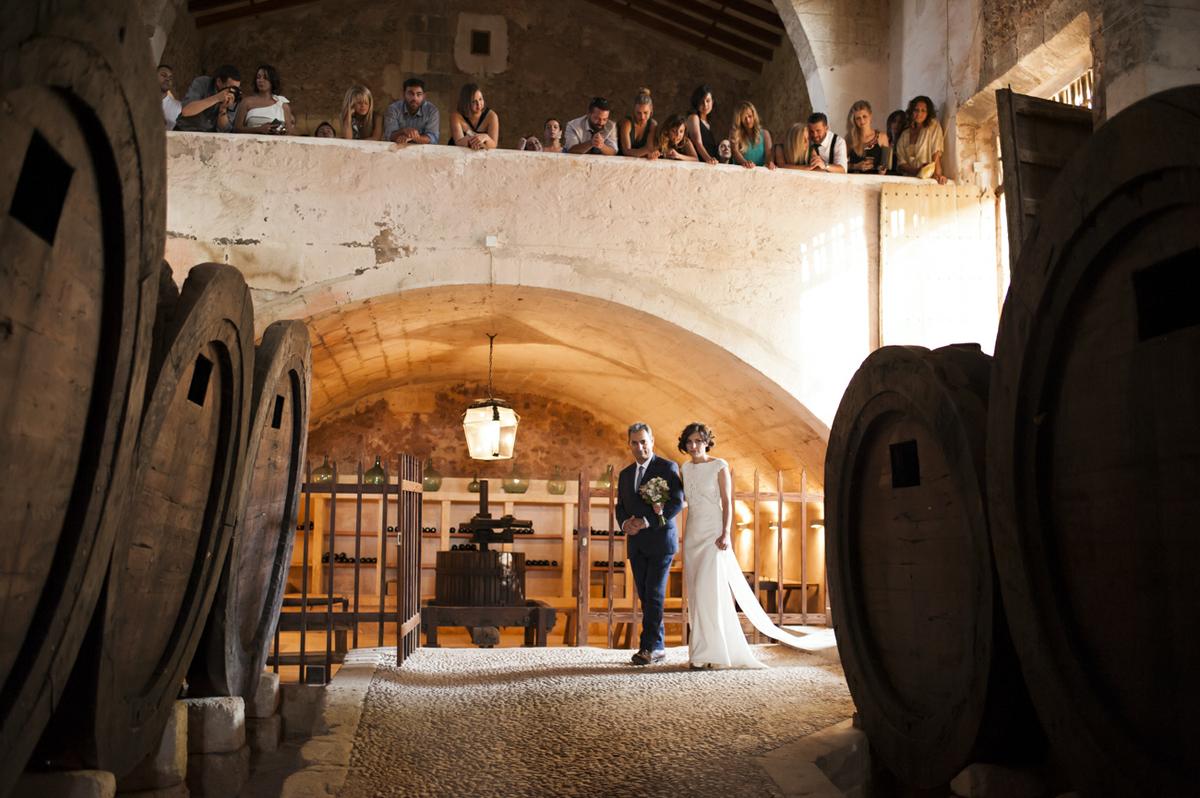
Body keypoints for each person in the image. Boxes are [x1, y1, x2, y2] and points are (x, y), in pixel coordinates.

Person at [677, 423, 808, 669]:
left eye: (698, 441)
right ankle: (700, 652)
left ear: (706, 442)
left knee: (710, 590)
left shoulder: (719, 466)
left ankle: (715, 653)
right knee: (695, 593)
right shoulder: (684, 468)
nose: (693, 446)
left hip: (713, 533)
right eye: (689, 442)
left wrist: (726, 533)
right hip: (693, 533)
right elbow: (687, 500)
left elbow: (728, 502)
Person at [615, 423, 684, 666]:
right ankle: (659, 646)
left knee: (654, 594)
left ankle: (648, 648)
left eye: (643, 441)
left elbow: (676, 502)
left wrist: (645, 522)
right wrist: (625, 524)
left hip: (660, 541)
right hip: (636, 544)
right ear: (629, 444)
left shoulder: (667, 467)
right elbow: (620, 507)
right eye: (634, 443)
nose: (640, 447)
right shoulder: (625, 475)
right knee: (646, 596)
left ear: (652, 441)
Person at [174, 64, 241, 133]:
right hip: (185, 131)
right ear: (219, 82)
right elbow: (186, 111)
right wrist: (217, 98)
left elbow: (225, 129)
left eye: (237, 88)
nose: (233, 91)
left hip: (209, 135)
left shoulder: (234, 95)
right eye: (231, 88)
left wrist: (223, 109)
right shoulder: (203, 83)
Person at [895, 95, 947, 183]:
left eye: (923, 111)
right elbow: (901, 162)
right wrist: (916, 171)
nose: (919, 114)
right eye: (916, 110)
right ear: (911, 111)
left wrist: (938, 174)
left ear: (928, 113)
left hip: (927, 179)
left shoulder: (933, 126)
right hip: (908, 181)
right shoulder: (904, 135)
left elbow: (936, 153)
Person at [234, 64, 294, 135]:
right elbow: (237, 129)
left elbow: (289, 132)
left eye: (265, 78)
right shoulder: (247, 102)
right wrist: (259, 129)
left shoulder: (282, 105)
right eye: (258, 77)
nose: (261, 80)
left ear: (272, 81)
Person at [383, 77, 440, 145]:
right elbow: (389, 135)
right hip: (397, 149)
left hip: (423, 150)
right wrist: (404, 131)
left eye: (419, 94)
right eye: (410, 93)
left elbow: (433, 139)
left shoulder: (432, 111)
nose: (414, 98)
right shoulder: (393, 109)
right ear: (404, 94)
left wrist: (413, 137)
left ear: (424, 96)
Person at [450, 83, 499, 149]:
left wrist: (485, 137)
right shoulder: (456, 116)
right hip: (457, 152)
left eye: (480, 99)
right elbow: (458, 143)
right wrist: (477, 140)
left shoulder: (492, 116)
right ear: (466, 103)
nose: (478, 104)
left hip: (481, 153)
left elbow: (494, 144)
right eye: (474, 101)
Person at [846, 100, 889, 175]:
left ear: (870, 116)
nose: (862, 121)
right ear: (854, 120)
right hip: (855, 180)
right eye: (858, 118)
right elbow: (841, 165)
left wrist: (882, 168)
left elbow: (885, 164)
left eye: (864, 116)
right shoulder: (850, 138)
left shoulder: (882, 137)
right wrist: (856, 166)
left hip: (875, 180)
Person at [729, 101, 775, 170]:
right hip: (741, 172)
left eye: (750, 116)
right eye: (744, 118)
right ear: (739, 119)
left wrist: (770, 162)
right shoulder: (735, 133)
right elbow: (735, 152)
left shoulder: (765, 134)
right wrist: (745, 162)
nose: (748, 120)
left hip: (759, 173)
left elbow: (769, 154)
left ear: (754, 116)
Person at [685, 85, 720, 164]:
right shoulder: (693, 117)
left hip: (708, 164)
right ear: (696, 103)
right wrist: (709, 159)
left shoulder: (708, 122)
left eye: (708, 101)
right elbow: (698, 143)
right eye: (701, 101)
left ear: (712, 102)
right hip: (698, 164)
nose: (705, 105)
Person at [619, 88, 658, 158]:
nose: (642, 117)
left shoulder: (652, 125)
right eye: (638, 113)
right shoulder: (627, 123)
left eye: (645, 113)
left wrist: (649, 151)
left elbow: (649, 148)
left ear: (651, 110)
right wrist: (647, 152)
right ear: (634, 110)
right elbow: (626, 151)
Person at [158, 64, 182, 131]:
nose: (167, 79)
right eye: (163, 75)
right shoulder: (141, 101)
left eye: (170, 78)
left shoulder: (179, 108)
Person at [885, 109, 908, 174]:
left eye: (900, 122)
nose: (896, 124)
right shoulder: (885, 140)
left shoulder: (905, 143)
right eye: (894, 121)